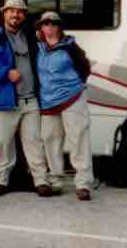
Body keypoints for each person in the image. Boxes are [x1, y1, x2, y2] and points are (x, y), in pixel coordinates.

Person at [0, 0, 51, 197]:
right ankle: (0, 181)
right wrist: (5, 73)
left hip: (30, 100)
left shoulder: (30, 36)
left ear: (24, 16)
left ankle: (41, 181)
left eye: (19, 11)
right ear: (4, 13)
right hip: (5, 101)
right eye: (11, 11)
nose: (15, 15)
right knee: (2, 144)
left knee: (34, 142)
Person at [35, 11, 93, 201]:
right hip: (48, 101)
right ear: (41, 28)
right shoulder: (38, 48)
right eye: (45, 24)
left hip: (72, 97)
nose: (49, 27)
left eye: (53, 24)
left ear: (59, 27)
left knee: (78, 139)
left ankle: (83, 183)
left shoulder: (70, 47)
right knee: (50, 140)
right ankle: (56, 180)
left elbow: (85, 68)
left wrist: (74, 86)